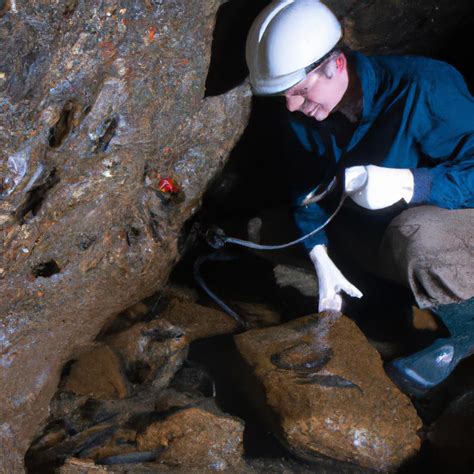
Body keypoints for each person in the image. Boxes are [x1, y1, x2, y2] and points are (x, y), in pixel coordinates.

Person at [245, 0, 474, 397]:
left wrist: (411, 184)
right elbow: (306, 191)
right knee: (264, 230)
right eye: (284, 95)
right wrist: (318, 255)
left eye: (299, 91)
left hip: (441, 223)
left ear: (335, 65)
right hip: (374, 233)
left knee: (416, 237)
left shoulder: (426, 88)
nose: (293, 105)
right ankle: (387, 300)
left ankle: (466, 330)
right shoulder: (303, 114)